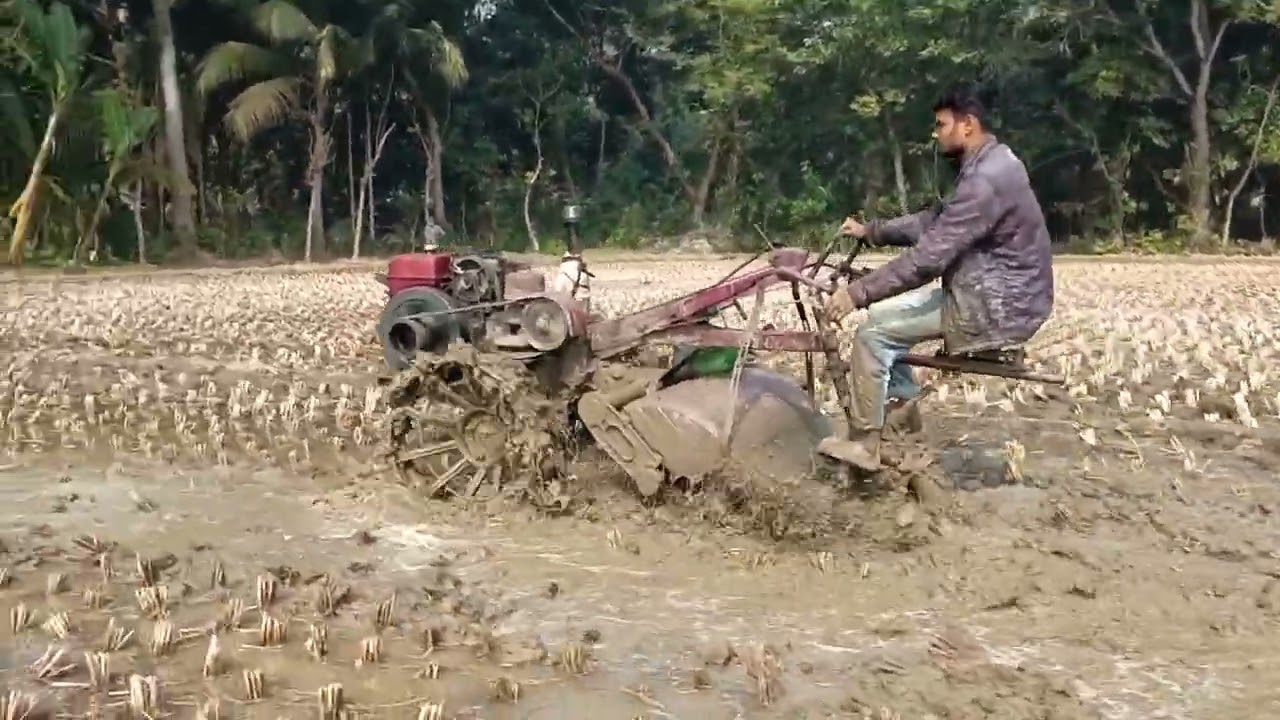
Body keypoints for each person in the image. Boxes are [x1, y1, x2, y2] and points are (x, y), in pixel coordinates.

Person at [817, 83, 1054, 472]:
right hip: (991, 290)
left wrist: (856, 293)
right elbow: (934, 222)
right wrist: (872, 231)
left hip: (996, 303)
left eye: (941, 124)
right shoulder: (991, 164)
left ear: (968, 125)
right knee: (882, 319)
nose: (935, 132)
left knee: (871, 337)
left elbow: (929, 257)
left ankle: (864, 444)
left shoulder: (985, 181)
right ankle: (903, 406)